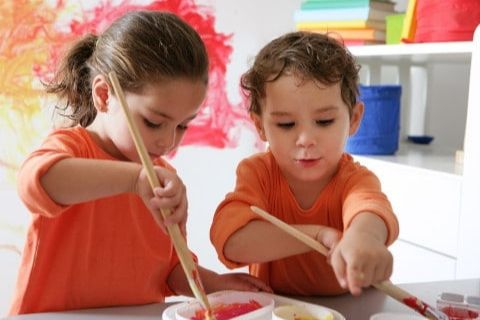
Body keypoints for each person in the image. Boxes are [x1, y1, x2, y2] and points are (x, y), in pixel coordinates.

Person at [10, 10, 270, 316]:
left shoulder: (161, 175)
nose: (168, 142)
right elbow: (35, 183)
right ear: (104, 95)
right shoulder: (72, 150)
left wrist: (215, 284)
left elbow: (170, 267)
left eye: (183, 125)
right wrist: (134, 180)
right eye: (153, 122)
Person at [210, 31, 399, 297]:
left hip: (347, 310)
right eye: (286, 124)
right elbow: (231, 242)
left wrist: (365, 238)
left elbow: (370, 211)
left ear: (354, 119)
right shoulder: (258, 174)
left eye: (324, 122)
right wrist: (317, 235)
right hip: (279, 312)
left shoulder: (355, 179)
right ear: (259, 126)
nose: (306, 140)